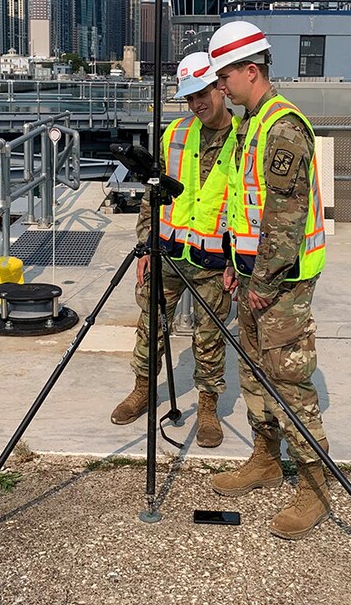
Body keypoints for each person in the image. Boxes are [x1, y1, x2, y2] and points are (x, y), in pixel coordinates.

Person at [205, 20, 332, 540]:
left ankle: (315, 487)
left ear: (250, 71)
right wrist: (238, 269)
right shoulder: (249, 124)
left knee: (288, 380)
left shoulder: (281, 127)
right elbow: (245, 207)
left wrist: (260, 280)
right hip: (254, 276)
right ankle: (265, 458)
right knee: (256, 373)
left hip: (281, 282)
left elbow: (284, 217)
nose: (219, 87)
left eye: (223, 76)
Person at [110, 51, 236, 448]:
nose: (197, 104)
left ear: (221, 88)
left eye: (202, 93)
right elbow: (153, 194)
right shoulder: (175, 134)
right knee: (150, 323)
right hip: (169, 251)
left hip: (216, 258)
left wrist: (242, 260)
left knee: (210, 334)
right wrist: (146, 244)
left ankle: (208, 406)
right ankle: (144, 389)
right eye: (189, 98)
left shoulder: (245, 138)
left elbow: (251, 202)